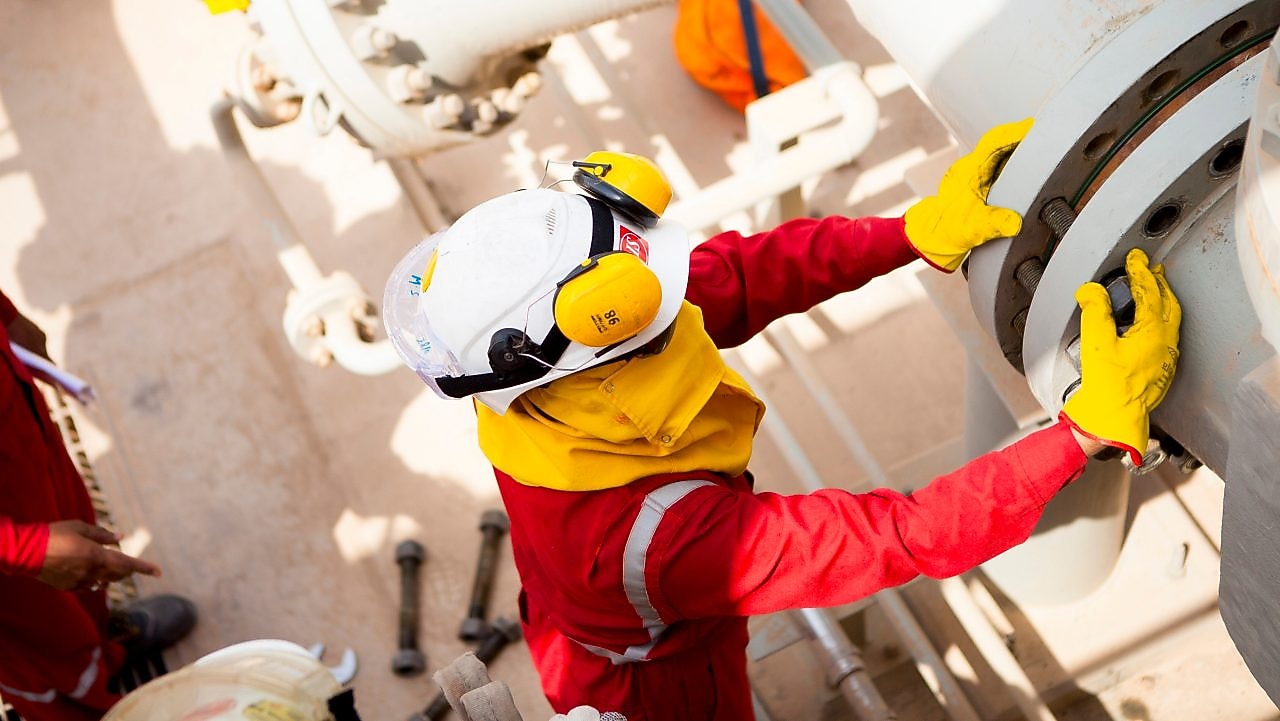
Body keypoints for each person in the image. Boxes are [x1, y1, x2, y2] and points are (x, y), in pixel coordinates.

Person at [381, 119, 1181, 721]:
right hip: (657, 687)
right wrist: (1079, 432)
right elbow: (897, 535)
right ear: (602, 340)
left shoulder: (537, 381)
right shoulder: (658, 541)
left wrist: (910, 234)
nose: (677, 293)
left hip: (570, 619)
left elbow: (739, 275)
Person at [0, 291, 198, 721]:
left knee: (81, 567)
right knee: (40, 644)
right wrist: (24, 549)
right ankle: (77, 700)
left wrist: (6, 315)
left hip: (21, 443)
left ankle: (101, 649)